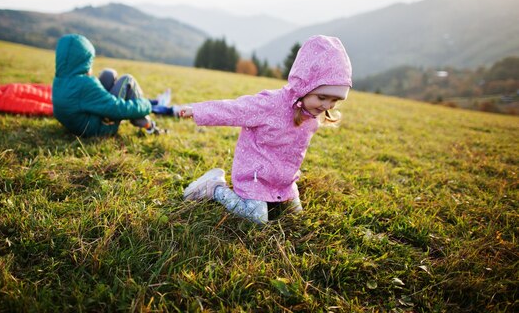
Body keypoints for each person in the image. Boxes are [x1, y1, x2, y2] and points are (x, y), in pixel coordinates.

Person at [178, 35, 352, 224]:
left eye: (335, 100)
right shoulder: (271, 105)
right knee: (256, 218)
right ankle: (214, 187)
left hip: (284, 180)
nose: (327, 105)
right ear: (305, 86)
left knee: (297, 217)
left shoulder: (312, 115)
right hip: (254, 177)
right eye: (322, 97)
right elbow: (235, 109)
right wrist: (198, 110)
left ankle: (273, 195)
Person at [52, 34, 161, 136]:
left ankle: (142, 120)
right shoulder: (85, 84)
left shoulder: (59, 80)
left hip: (77, 123)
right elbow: (117, 108)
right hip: (97, 129)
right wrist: (146, 104)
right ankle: (148, 125)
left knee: (108, 74)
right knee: (127, 80)